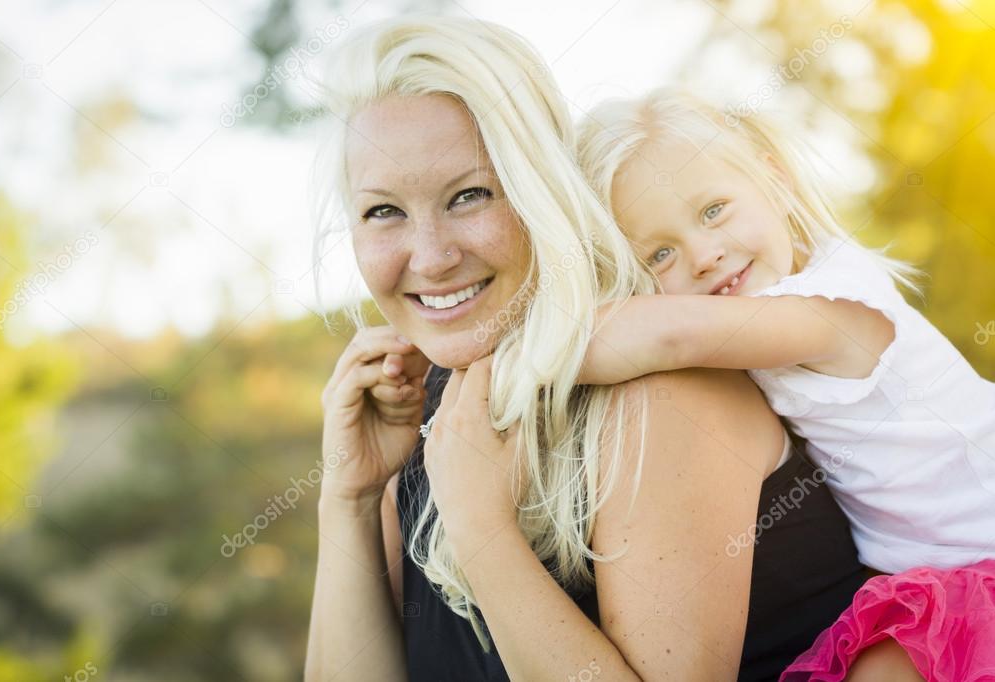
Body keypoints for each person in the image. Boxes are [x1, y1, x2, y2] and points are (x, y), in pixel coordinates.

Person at [303, 17, 866, 681]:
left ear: (542, 191)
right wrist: (349, 498)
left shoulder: (660, 393)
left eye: (470, 195)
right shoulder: (433, 425)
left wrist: (483, 532)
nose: (429, 258)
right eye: (383, 212)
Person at [574, 87, 995, 680]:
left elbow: (665, 337)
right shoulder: (763, 317)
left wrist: (508, 349)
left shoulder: (831, 306)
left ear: (773, 180)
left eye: (713, 210)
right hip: (934, 572)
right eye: (659, 254)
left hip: (980, 560)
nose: (702, 255)